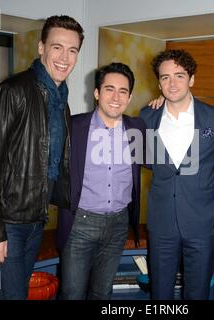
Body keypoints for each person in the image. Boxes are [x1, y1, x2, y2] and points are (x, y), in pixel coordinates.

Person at [0, 15, 84, 300]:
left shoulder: (61, 99)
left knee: (18, 293)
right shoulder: (14, 91)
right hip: (8, 223)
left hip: (36, 219)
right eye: (57, 47)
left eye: (72, 50)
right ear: (41, 48)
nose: (65, 57)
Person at [57, 62, 146, 300]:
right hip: (80, 224)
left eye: (123, 91)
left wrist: (162, 104)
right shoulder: (74, 127)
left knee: (102, 292)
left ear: (129, 97)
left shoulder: (137, 128)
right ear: (96, 93)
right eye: (109, 89)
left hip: (118, 223)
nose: (116, 97)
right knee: (72, 293)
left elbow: (158, 160)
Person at [140, 49, 214, 300]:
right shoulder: (146, 116)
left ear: (192, 79)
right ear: (159, 83)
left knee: (198, 293)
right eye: (165, 78)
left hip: (201, 222)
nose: (172, 83)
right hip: (161, 221)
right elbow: (144, 161)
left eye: (179, 75)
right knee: (160, 293)